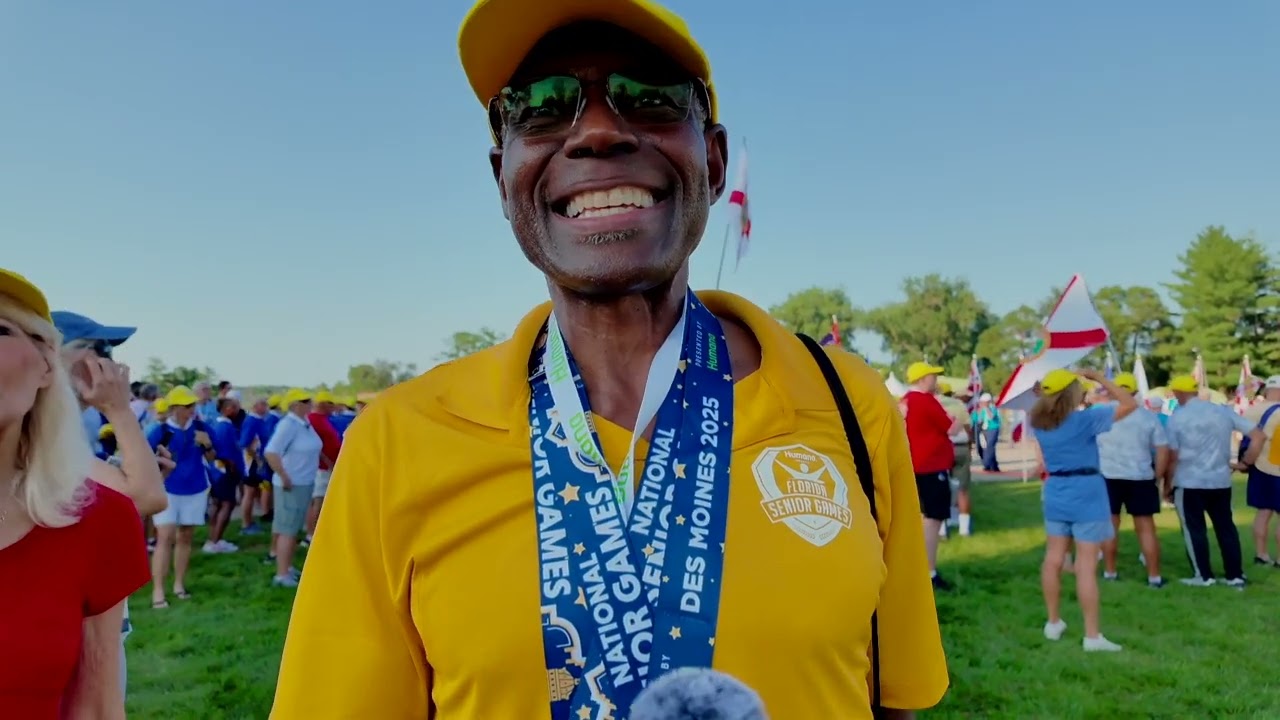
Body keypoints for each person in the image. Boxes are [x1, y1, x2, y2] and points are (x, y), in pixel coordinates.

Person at [273, 3, 949, 718]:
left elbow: (890, 700)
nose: (596, 130)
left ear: (714, 162)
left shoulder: (846, 400)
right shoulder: (398, 440)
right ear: (504, 176)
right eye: (540, 106)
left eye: (650, 96)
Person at [0, 269, 153, 718]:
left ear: (47, 364)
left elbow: (97, 706)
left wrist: (118, 411)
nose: (106, 360)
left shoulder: (96, 517)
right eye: (97, 348)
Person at [1031, 368, 1135, 652]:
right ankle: (1092, 636)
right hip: (1087, 490)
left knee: (1053, 559)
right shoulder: (1086, 420)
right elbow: (1130, 404)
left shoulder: (1038, 422)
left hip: (1055, 490)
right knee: (1086, 565)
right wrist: (1101, 378)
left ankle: (1053, 622)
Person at [1164, 375, 1264, 588]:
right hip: (1219, 480)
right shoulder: (1222, 411)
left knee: (1194, 529)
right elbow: (1259, 436)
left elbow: (1172, 456)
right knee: (1226, 527)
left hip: (1189, 480)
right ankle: (1235, 575)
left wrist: (1167, 484)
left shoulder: (1177, 418)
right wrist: (1246, 462)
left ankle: (1204, 575)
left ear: (1179, 393)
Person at [1096, 372, 1169, 587]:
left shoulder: (1101, 414)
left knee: (1110, 526)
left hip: (1108, 476)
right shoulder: (1148, 416)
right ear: (1135, 392)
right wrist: (1158, 476)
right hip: (1140, 476)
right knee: (1146, 528)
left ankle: (1110, 572)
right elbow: (1162, 449)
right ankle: (1154, 577)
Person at [146, 385, 216, 608]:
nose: (192, 409)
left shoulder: (201, 427)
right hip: (168, 488)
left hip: (195, 487)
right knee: (165, 537)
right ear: (175, 408)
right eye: (187, 406)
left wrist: (207, 445)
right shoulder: (160, 431)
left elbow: (213, 456)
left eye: (192, 405)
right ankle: (158, 591)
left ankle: (178, 585)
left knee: (186, 537)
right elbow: (145, 459)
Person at [900, 361, 956, 588]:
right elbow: (949, 427)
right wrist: (955, 420)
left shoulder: (905, 401)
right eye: (932, 376)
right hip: (932, 466)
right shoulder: (925, 401)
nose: (935, 380)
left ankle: (917, 567)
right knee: (933, 520)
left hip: (914, 465)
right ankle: (929, 571)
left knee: (924, 518)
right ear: (923, 379)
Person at [264, 388, 323, 588]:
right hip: (292, 484)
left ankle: (287, 567)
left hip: (304, 482)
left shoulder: (303, 423)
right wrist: (284, 476)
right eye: (305, 401)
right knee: (287, 529)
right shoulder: (288, 425)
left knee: (293, 527)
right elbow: (271, 452)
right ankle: (281, 574)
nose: (310, 403)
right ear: (295, 405)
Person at [1244, 376, 1280, 565]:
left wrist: (1246, 462)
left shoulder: (1252, 410)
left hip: (1259, 466)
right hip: (1277, 467)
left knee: (1263, 512)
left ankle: (1261, 554)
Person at [206, 396, 244, 554]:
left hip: (219, 472)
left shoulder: (219, 425)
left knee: (218, 504)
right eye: (235, 407)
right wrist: (232, 469)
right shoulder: (225, 427)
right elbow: (225, 453)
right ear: (227, 409)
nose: (238, 410)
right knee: (227, 505)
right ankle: (215, 541)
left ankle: (213, 539)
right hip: (225, 473)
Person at [938, 383, 973, 537]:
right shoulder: (959, 405)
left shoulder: (934, 403)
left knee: (941, 490)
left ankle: (942, 529)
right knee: (962, 489)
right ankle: (964, 529)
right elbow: (968, 428)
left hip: (941, 448)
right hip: (961, 448)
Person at [971, 393, 1001, 472]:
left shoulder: (992, 408)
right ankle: (994, 465)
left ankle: (987, 465)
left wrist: (986, 408)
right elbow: (974, 420)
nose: (981, 404)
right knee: (982, 447)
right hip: (983, 430)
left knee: (989, 446)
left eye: (983, 402)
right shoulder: (978, 410)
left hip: (992, 429)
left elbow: (991, 417)